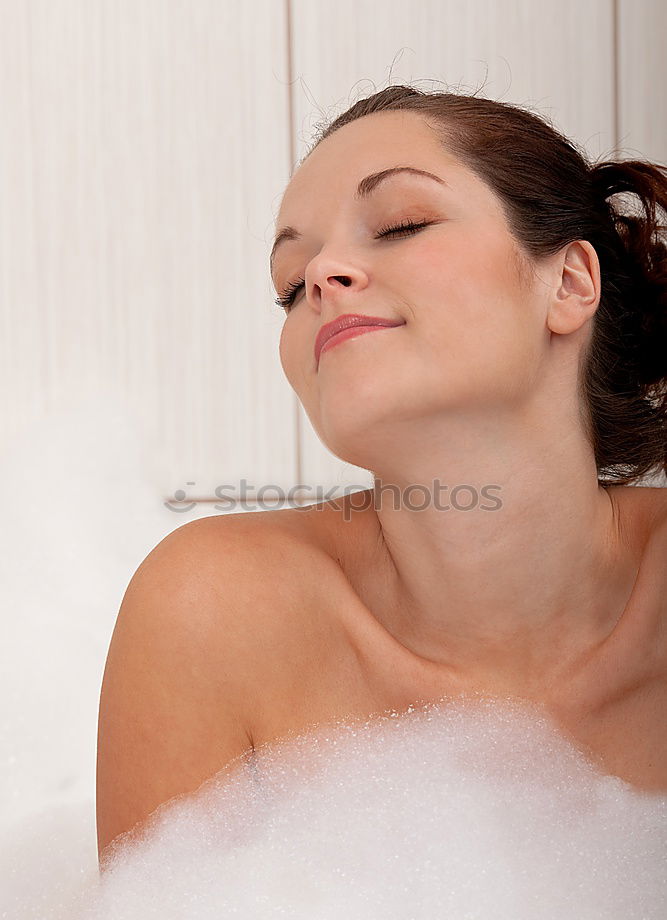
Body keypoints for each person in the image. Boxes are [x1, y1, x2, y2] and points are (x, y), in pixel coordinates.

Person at [97, 84, 667, 870]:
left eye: (400, 225)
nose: (324, 275)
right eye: (292, 284)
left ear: (569, 283)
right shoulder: (216, 611)